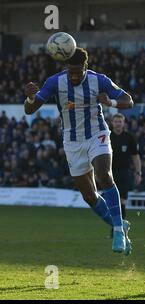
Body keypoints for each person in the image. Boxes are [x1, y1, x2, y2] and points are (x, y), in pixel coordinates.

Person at [23, 48, 134, 255]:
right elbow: (30, 109)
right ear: (66, 68)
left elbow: (128, 100)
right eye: (71, 71)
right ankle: (118, 224)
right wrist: (30, 98)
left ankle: (118, 230)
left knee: (104, 174)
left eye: (78, 72)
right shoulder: (55, 82)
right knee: (89, 196)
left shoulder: (99, 80)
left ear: (85, 67)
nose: (74, 76)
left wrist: (109, 102)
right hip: (72, 141)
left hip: (97, 134)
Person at [110, 113, 142, 236]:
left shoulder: (129, 138)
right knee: (111, 202)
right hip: (109, 173)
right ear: (112, 123)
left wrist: (138, 172)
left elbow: (135, 156)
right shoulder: (107, 137)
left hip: (124, 173)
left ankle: (119, 231)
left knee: (122, 201)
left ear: (123, 123)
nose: (118, 123)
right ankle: (114, 228)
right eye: (116, 121)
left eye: (120, 121)